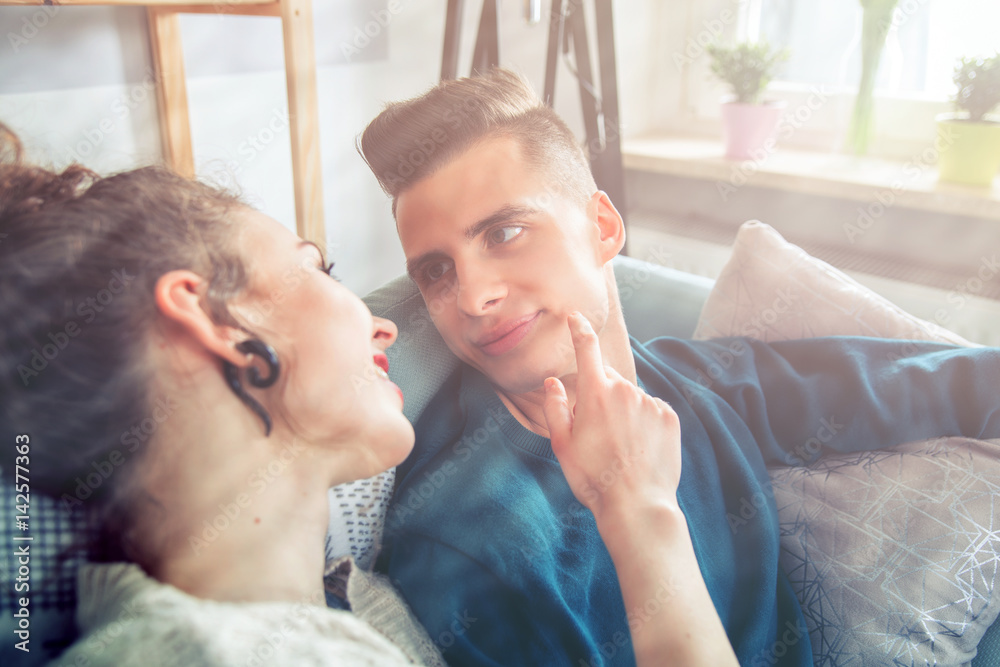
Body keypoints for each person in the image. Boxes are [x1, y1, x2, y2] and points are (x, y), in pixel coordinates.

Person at [0, 124, 722, 666]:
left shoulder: (352, 612)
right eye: (318, 268)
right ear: (209, 316)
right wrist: (641, 515)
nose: (383, 320)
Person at [358, 69, 1000, 666]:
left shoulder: (700, 383)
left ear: (603, 228)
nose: (472, 298)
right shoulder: (466, 541)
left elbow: (944, 383)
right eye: (436, 272)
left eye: (503, 234)